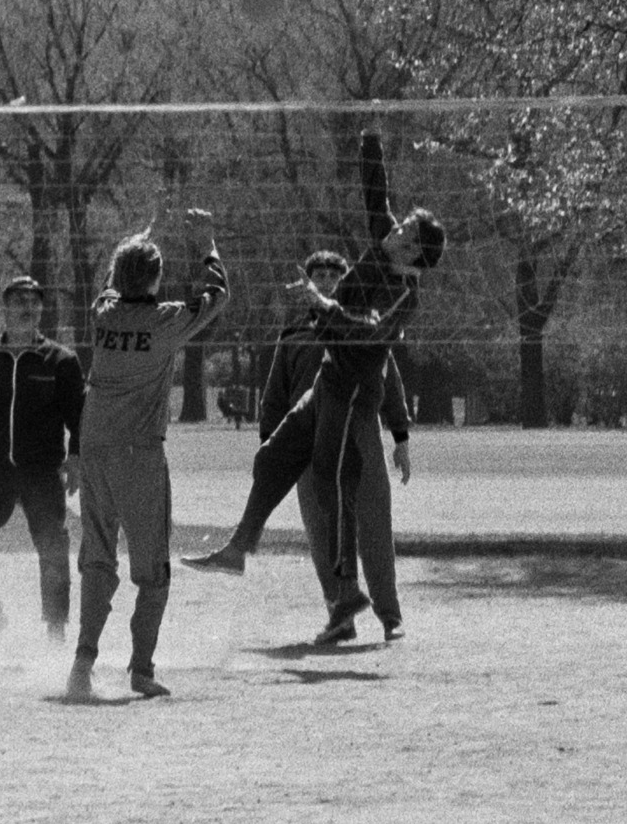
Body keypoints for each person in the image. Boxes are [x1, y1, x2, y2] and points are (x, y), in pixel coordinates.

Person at [185, 134, 441, 588]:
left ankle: (371, 604)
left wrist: (400, 434)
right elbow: (376, 195)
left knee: (355, 508)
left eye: (406, 233)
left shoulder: (403, 292)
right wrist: (371, 142)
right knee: (272, 463)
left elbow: (371, 337)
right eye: (400, 228)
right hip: (322, 395)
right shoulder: (377, 253)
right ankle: (241, 549)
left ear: (416, 254)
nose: (396, 229)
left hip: (352, 406)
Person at [80, 215, 238, 696]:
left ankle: (82, 663)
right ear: (153, 278)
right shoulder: (166, 321)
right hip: (138, 455)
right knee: (153, 570)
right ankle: (142, 670)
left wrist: (132, 244)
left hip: (93, 449)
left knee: (98, 559)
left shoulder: (102, 313)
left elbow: (109, 286)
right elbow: (218, 294)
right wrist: (206, 245)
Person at [254, 250, 417, 646]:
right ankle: (341, 615)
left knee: (375, 527)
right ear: (308, 282)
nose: (327, 279)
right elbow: (275, 397)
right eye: (319, 273)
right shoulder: (292, 336)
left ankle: (390, 616)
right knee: (323, 534)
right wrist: (270, 450)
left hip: (361, 436)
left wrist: (400, 438)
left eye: (334, 273)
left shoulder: (364, 327)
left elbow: (391, 385)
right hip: (309, 443)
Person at [0, 275, 86, 642]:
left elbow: (79, 419)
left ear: (42, 308)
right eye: (19, 300)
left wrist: (76, 457)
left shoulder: (61, 361)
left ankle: (56, 631)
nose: (27, 307)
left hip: (41, 471)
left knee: (53, 549)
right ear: (5, 307)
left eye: (34, 301)